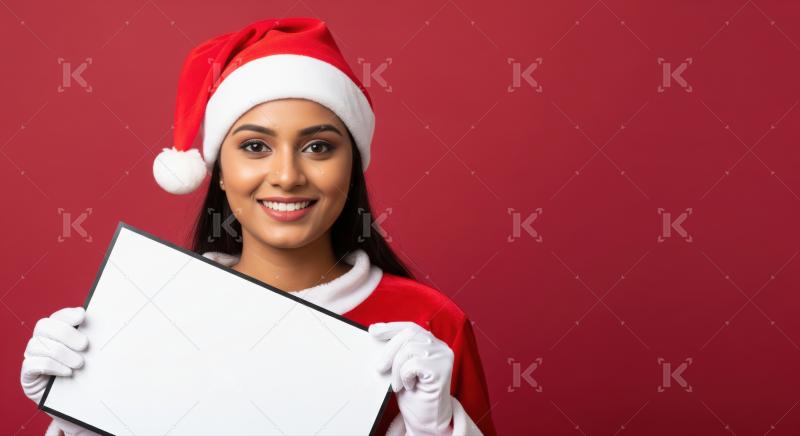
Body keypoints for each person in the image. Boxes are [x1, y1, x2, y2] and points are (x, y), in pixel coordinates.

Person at [20, 17, 497, 436]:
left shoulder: (428, 325)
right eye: (254, 147)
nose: (287, 176)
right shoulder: (154, 313)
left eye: (318, 147)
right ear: (219, 170)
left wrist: (435, 427)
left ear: (352, 165)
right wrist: (77, 413)